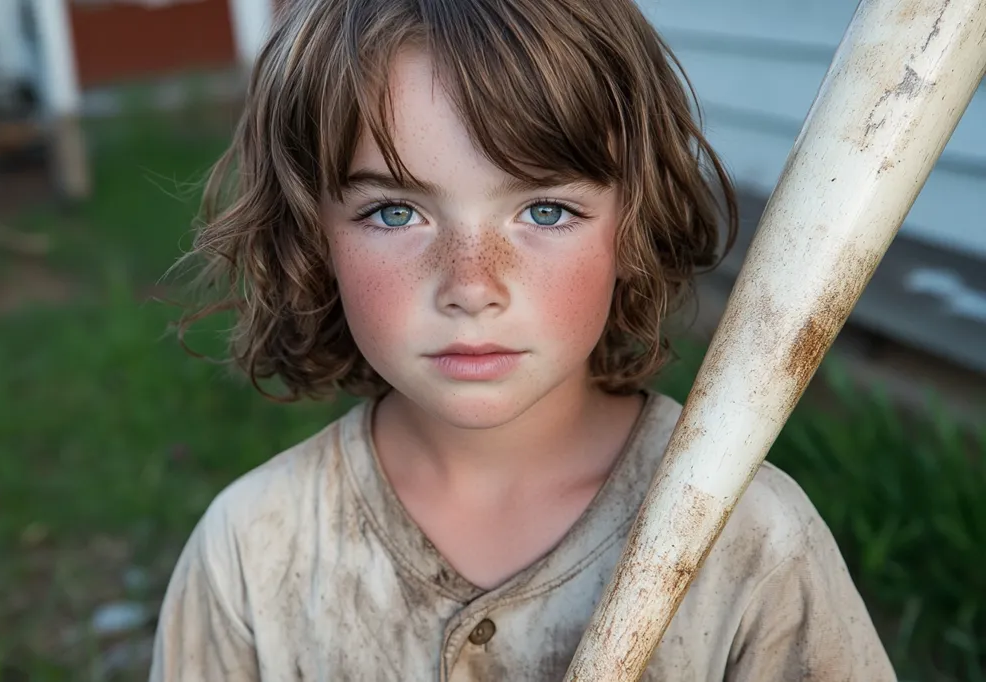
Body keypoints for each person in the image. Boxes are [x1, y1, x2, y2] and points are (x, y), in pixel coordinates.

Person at [149, 0, 897, 679]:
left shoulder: (752, 542)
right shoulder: (252, 551)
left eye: (543, 211)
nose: (472, 286)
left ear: (632, 223)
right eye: (394, 213)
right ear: (312, 236)